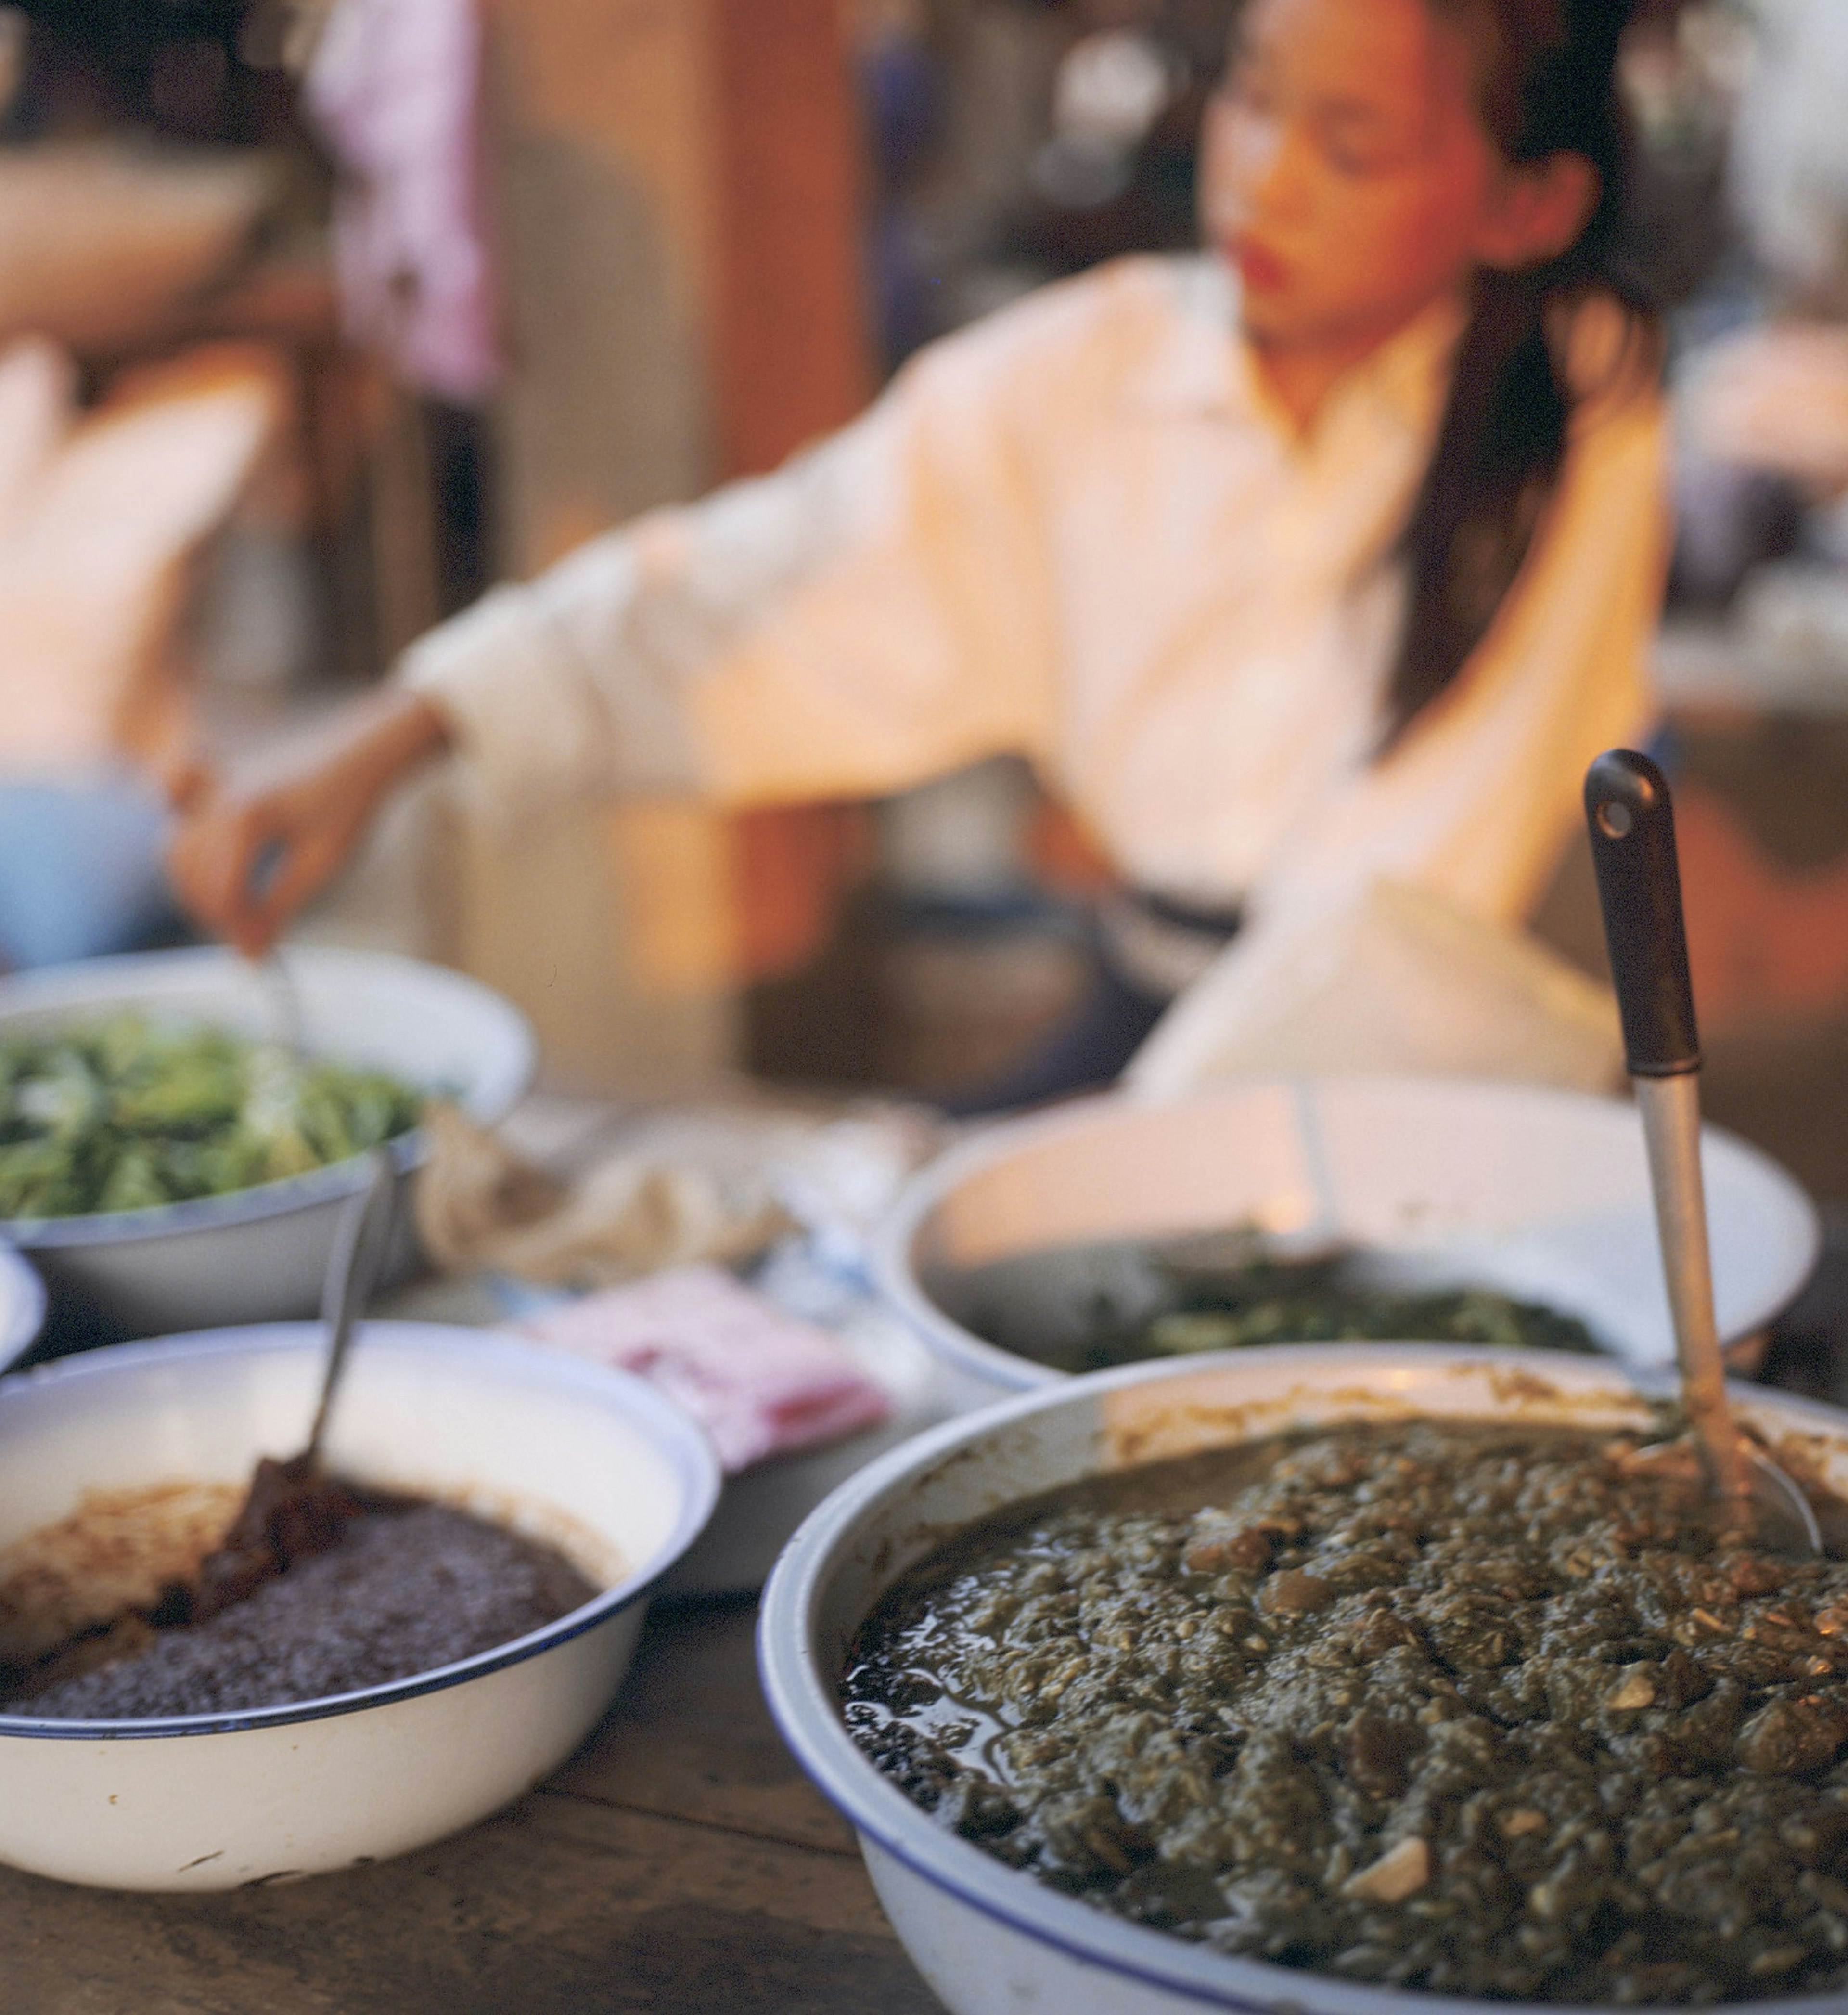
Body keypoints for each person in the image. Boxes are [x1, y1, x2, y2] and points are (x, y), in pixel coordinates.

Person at [170, 0, 1667, 1106]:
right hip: (1144, 1017)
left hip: (1422, 1074)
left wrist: (1161, 1158)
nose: (1264, 179)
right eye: (1252, 101)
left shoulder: (1585, 414)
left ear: (1527, 203)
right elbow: (756, 578)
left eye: (1350, 144)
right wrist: (394, 733)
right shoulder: (1081, 375)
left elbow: (1403, 881)